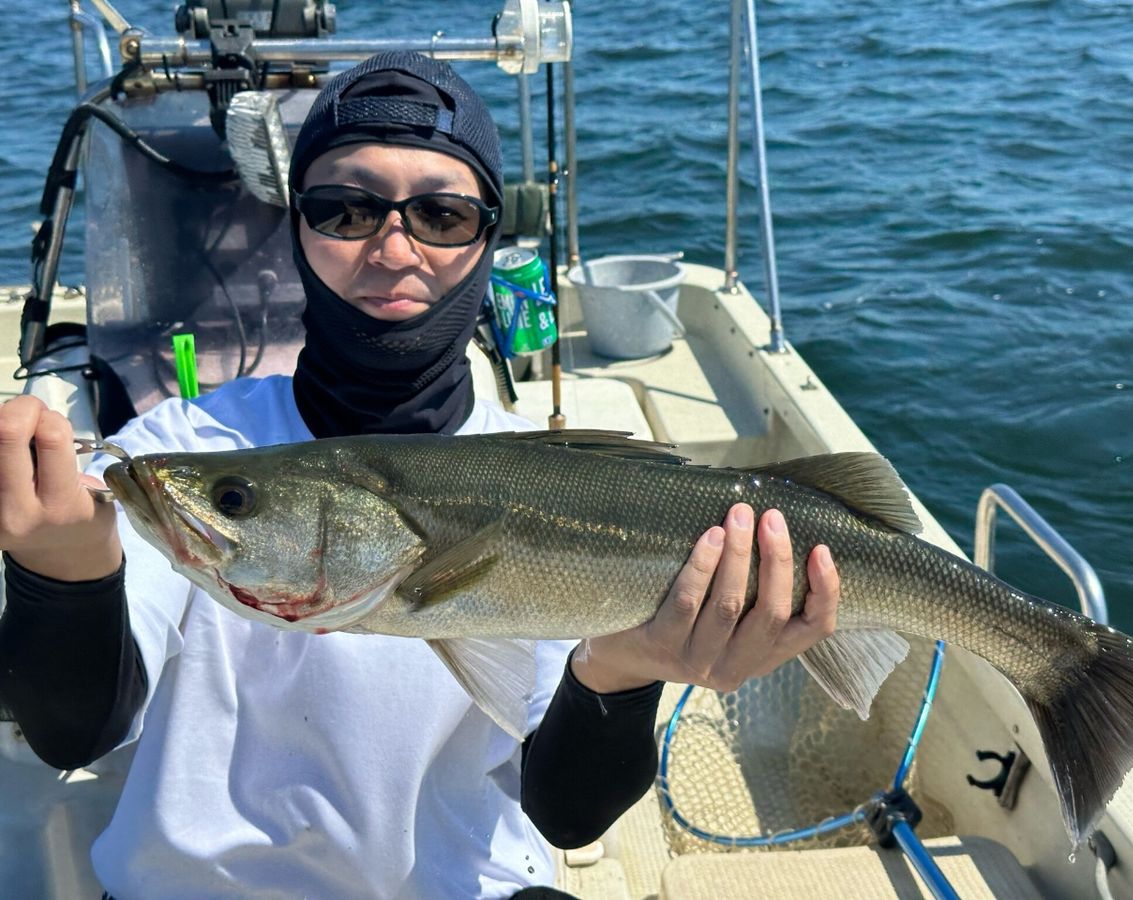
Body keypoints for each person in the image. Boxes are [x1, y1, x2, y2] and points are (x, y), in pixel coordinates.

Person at [0, 52, 840, 898]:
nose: (394, 248)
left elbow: (565, 814)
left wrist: (625, 671)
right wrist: (61, 576)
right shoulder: (192, 440)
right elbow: (75, 730)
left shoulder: (544, 481)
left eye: (441, 214)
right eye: (346, 209)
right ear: (296, 227)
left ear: (486, 240)